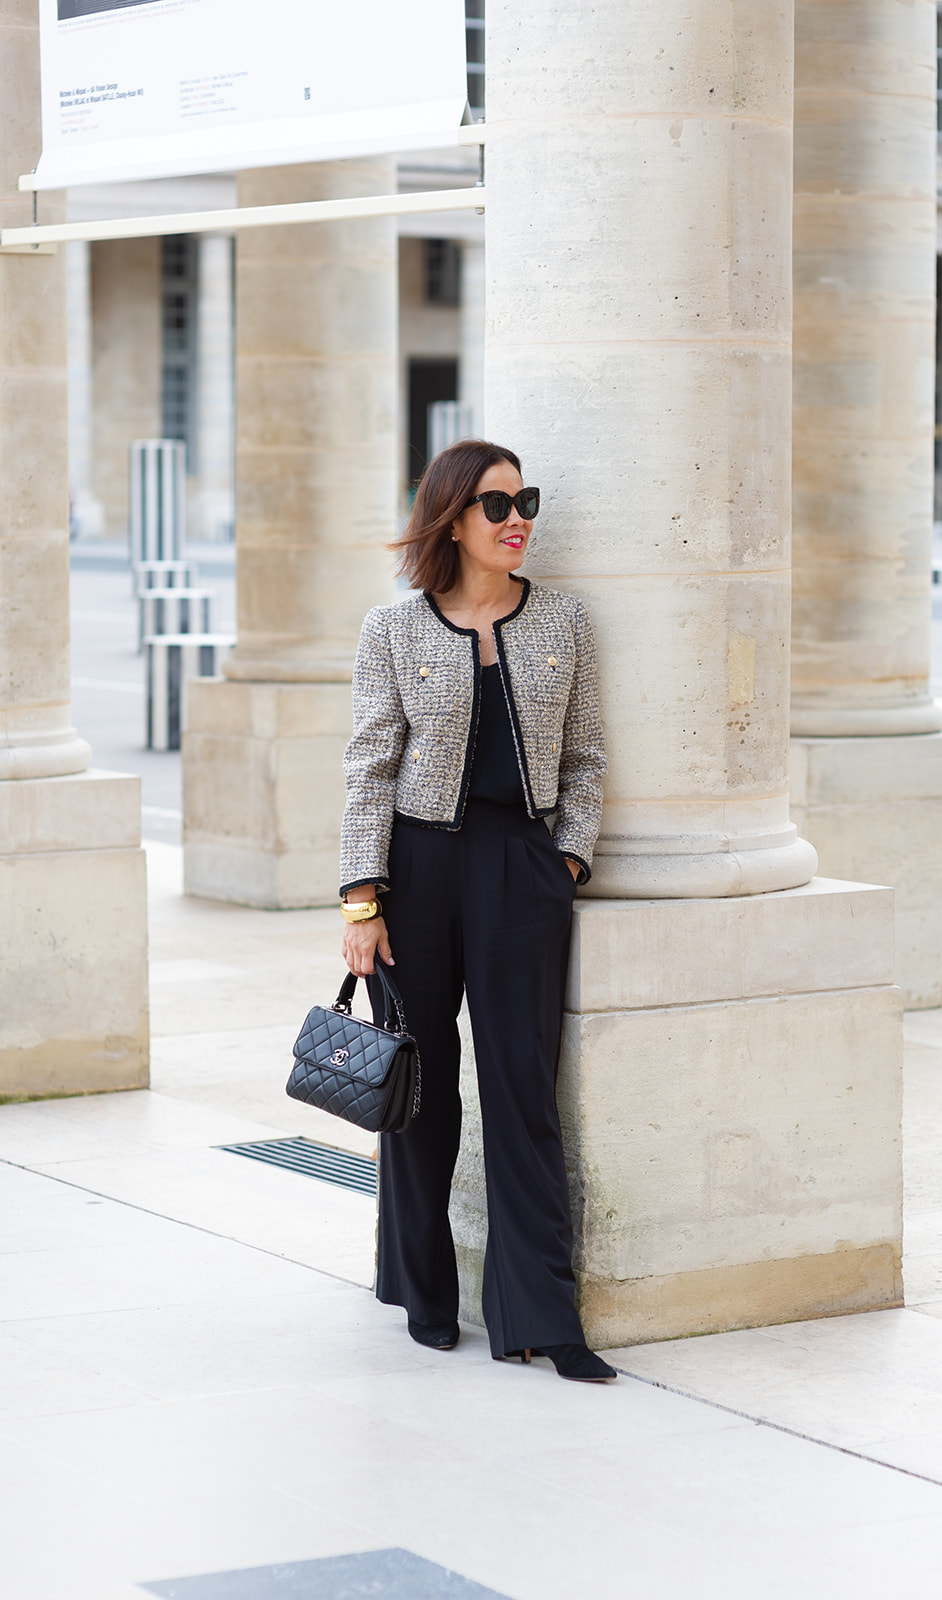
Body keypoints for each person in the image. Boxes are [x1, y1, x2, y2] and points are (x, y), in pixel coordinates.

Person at [338, 438, 616, 1384]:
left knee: (520, 1092)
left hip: (520, 869)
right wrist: (361, 899)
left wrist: (566, 858)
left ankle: (542, 1313)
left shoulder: (564, 622)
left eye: (525, 501)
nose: (517, 520)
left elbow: (585, 758)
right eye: (496, 505)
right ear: (450, 518)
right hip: (415, 871)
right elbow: (369, 767)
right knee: (422, 1094)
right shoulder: (394, 629)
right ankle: (422, 1289)